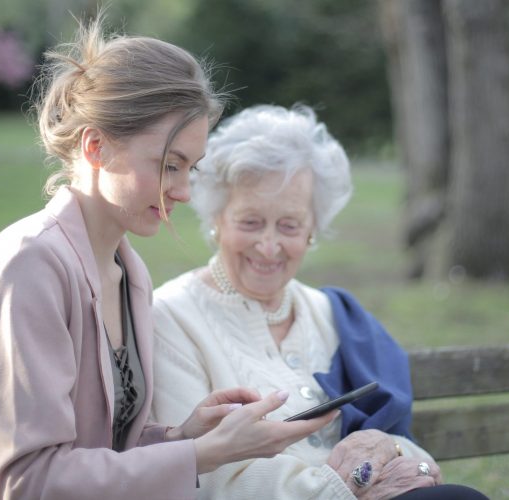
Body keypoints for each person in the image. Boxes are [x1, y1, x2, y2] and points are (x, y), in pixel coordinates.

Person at [0, 19, 336, 500]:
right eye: (168, 165)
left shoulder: (128, 271)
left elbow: (104, 448)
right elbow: (30, 482)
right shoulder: (28, 266)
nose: (182, 191)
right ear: (96, 147)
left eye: (190, 168)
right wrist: (202, 456)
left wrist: (185, 436)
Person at [151, 105, 488, 500]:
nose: (269, 245)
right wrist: (342, 486)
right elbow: (203, 478)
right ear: (217, 219)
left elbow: (409, 451)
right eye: (251, 222)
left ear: (312, 231)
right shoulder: (170, 317)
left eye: (290, 225)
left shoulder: (332, 314)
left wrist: (392, 451)